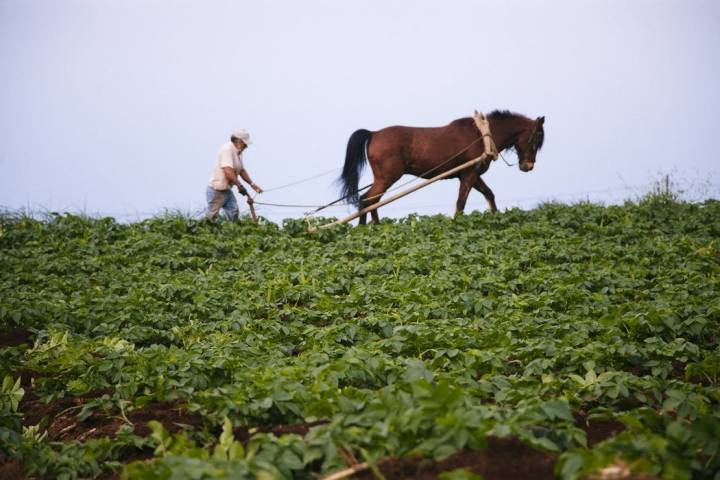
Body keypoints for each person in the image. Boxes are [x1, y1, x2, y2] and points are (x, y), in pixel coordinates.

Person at [206, 129, 263, 220]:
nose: (246, 146)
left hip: (227, 190)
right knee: (211, 217)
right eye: (245, 144)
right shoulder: (227, 149)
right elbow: (228, 171)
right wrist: (239, 185)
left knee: (234, 213)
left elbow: (241, 170)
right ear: (238, 141)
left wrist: (252, 184)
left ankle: (232, 233)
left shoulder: (238, 152)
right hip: (217, 190)